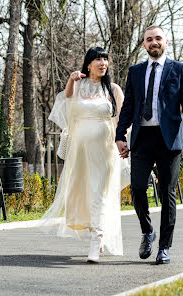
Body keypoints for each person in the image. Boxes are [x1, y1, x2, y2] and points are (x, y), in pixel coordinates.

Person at [115, 26, 183, 264]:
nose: (154, 42)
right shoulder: (136, 71)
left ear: (166, 42)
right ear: (143, 44)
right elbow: (128, 106)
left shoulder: (179, 69)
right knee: (138, 188)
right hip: (142, 138)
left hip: (169, 140)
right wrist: (120, 135)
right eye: (149, 39)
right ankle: (147, 231)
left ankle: (164, 246)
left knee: (167, 192)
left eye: (158, 38)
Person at [40, 47, 127, 263]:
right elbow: (67, 99)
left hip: (104, 151)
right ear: (88, 64)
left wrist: (123, 144)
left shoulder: (113, 90)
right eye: (98, 59)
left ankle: (95, 243)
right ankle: (96, 232)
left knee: (99, 192)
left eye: (105, 59)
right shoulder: (78, 86)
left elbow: (123, 121)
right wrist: (71, 79)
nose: (103, 63)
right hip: (79, 152)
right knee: (84, 192)